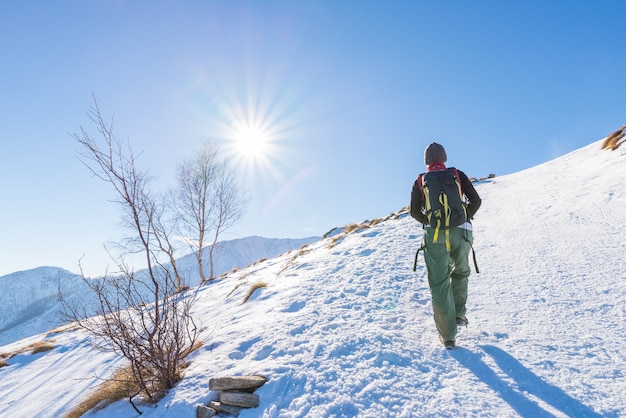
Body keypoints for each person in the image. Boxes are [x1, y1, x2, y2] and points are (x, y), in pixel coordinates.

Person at [410, 142, 481, 349]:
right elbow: (475, 201)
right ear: (444, 158)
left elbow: (415, 211)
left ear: (426, 161)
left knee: (439, 283)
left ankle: (448, 336)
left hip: (435, 236)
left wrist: (430, 222)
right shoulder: (457, 174)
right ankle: (459, 315)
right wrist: (465, 217)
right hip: (462, 231)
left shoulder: (421, 180)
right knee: (460, 272)